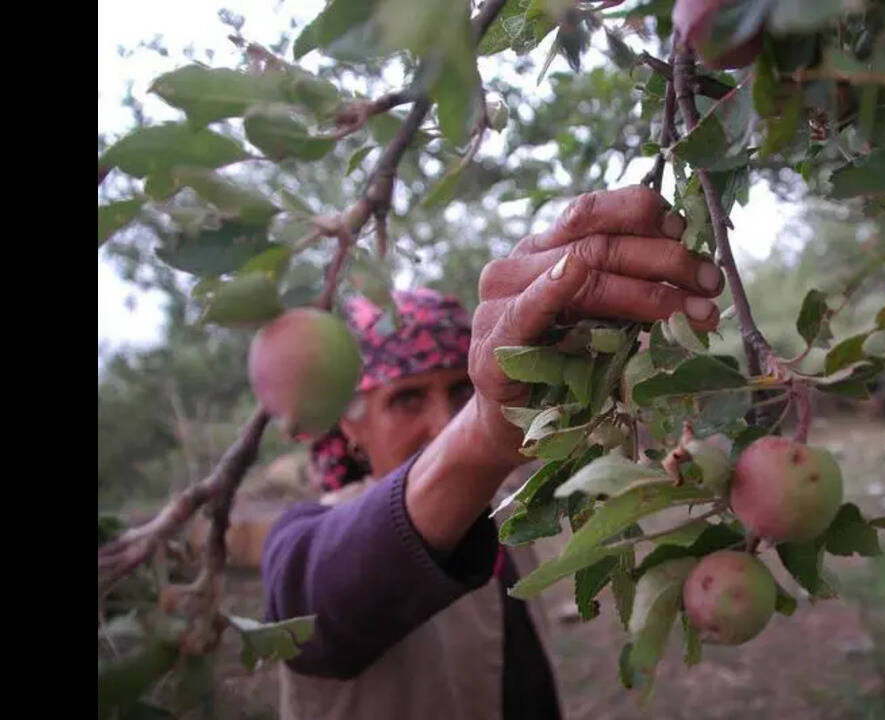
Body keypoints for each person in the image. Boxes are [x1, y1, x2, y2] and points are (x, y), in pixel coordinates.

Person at [260, 185, 725, 719]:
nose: (442, 421)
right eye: (406, 398)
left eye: (461, 390)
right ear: (350, 425)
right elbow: (310, 610)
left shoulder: (508, 508)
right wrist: (481, 428)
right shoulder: (308, 537)